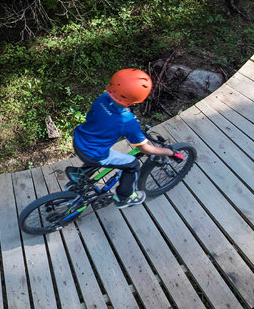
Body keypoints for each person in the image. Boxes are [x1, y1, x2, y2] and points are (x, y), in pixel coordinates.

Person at [71, 68, 179, 208]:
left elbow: (93, 117)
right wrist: (170, 152)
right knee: (133, 164)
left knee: (96, 152)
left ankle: (81, 180)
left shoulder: (102, 99)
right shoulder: (128, 121)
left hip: (79, 140)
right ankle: (124, 197)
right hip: (94, 153)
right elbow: (144, 148)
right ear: (137, 98)